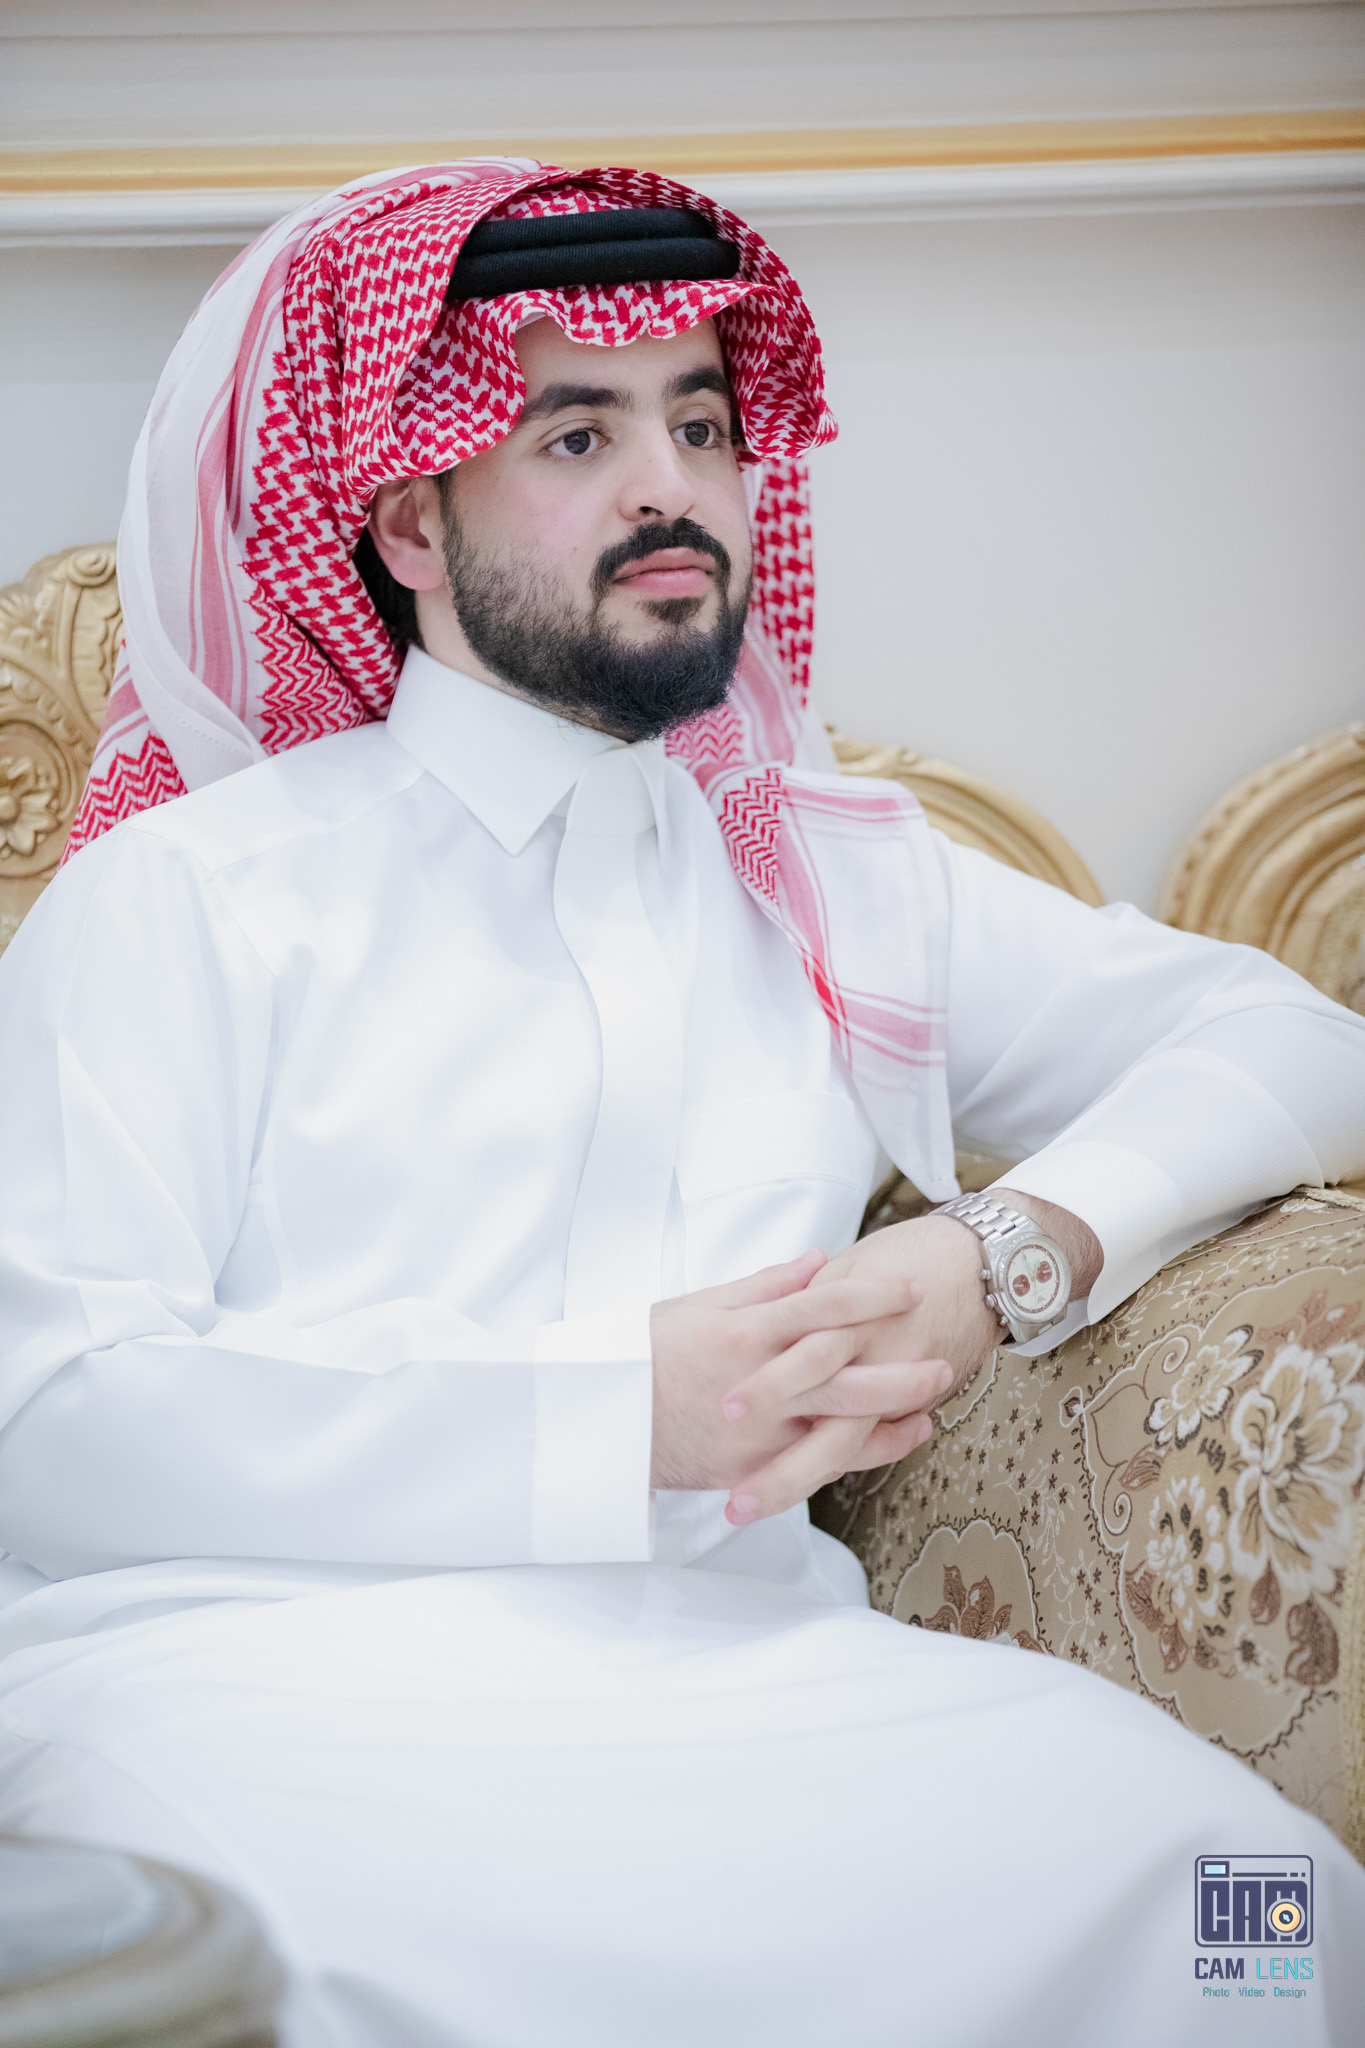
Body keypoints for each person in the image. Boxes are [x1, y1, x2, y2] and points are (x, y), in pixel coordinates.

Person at [0, 160, 1362, 2048]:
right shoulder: (192, 894)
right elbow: (55, 1421)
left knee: (1255, 1908)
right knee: (334, 1969)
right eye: (578, 433)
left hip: (752, 1662)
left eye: (702, 426)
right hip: (248, 1671)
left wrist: (1002, 1256)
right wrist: (612, 1416)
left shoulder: (818, 879)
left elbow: (1298, 1040)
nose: (672, 487)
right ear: (407, 520)